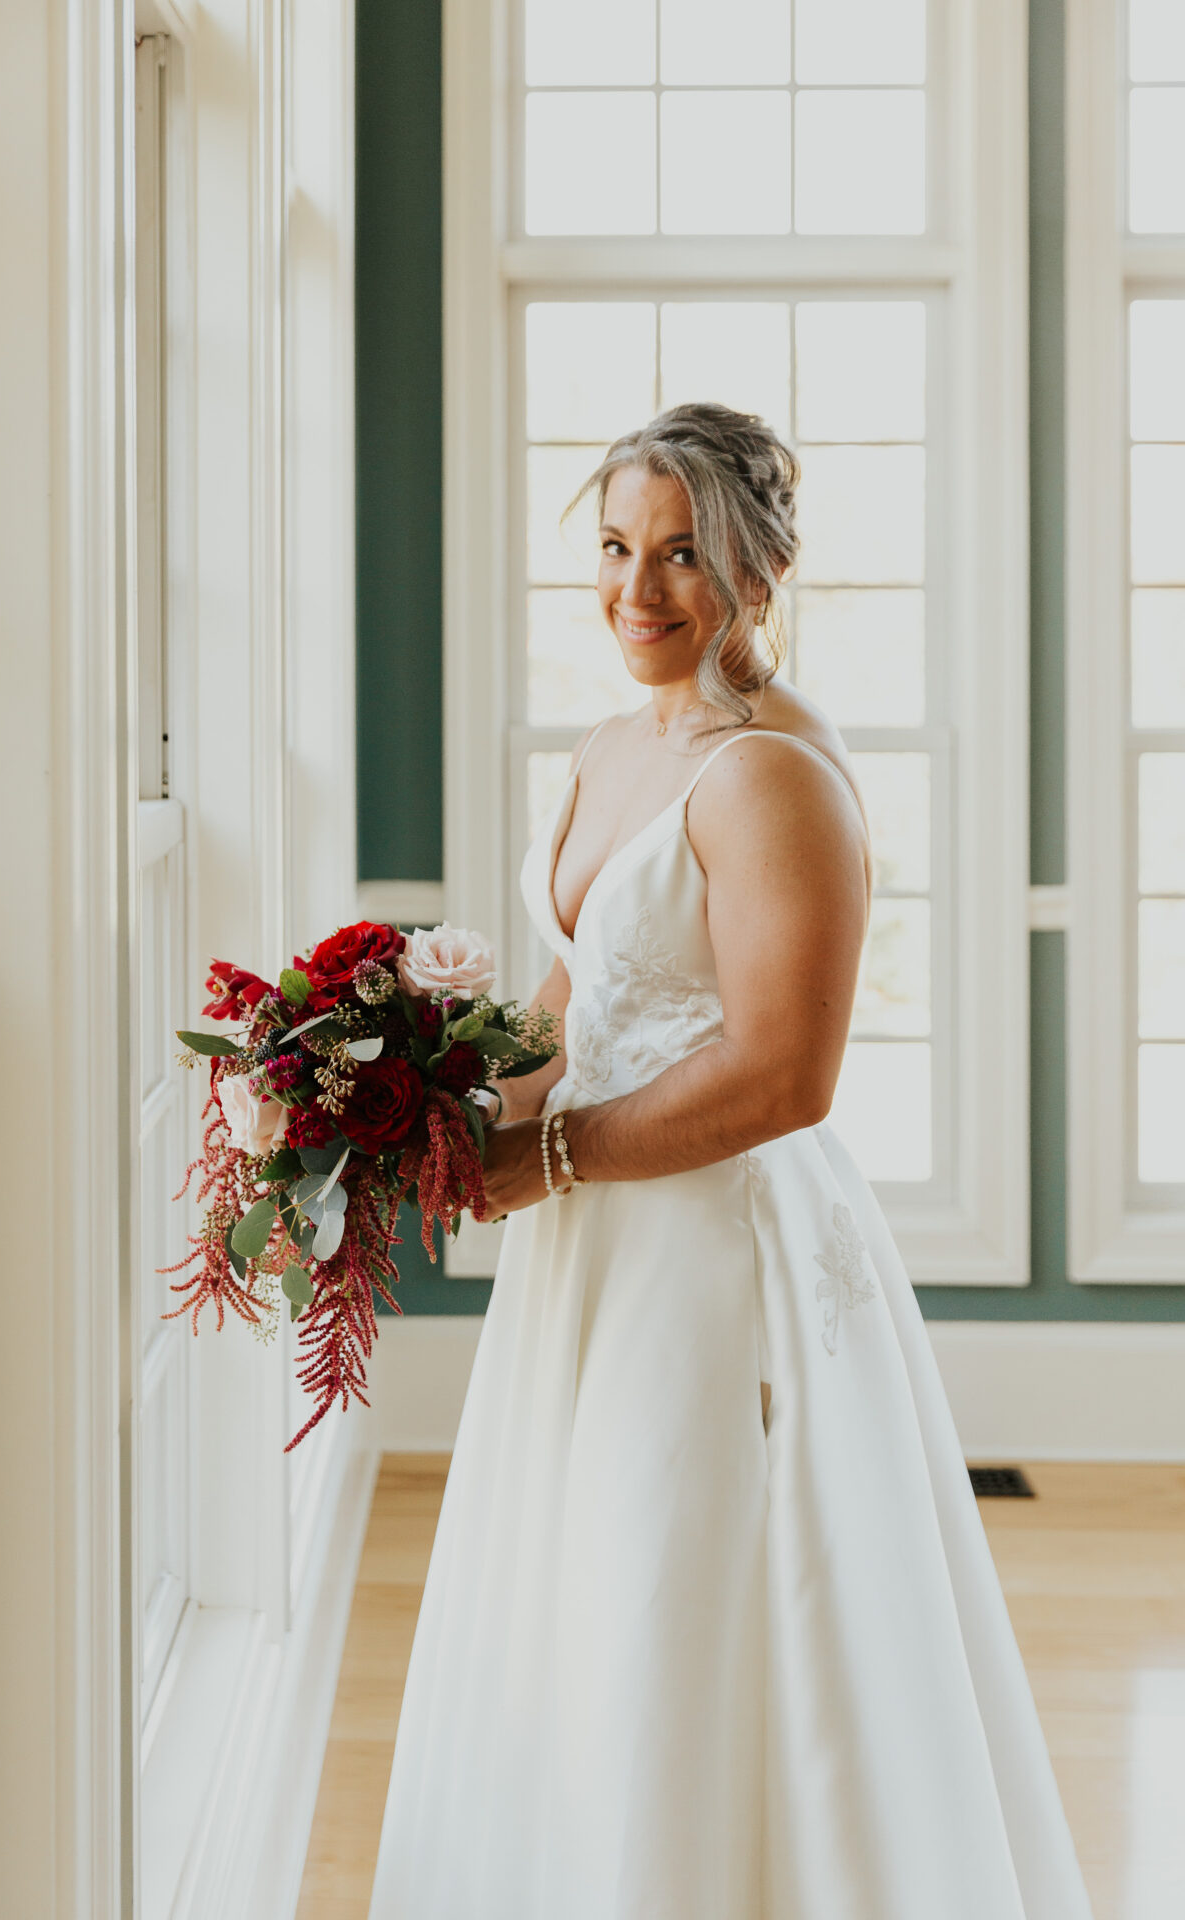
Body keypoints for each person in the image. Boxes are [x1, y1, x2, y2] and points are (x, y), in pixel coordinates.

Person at [368, 403, 1092, 1919]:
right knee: (581, 1606)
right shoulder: (617, 745)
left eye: (685, 555)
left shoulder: (771, 778)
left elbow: (783, 1073)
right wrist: (413, 1112)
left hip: (715, 1262)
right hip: (592, 1244)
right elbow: (580, 1002)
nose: (642, 589)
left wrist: (546, 1159)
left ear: (762, 573)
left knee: (685, 1598)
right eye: (620, 550)